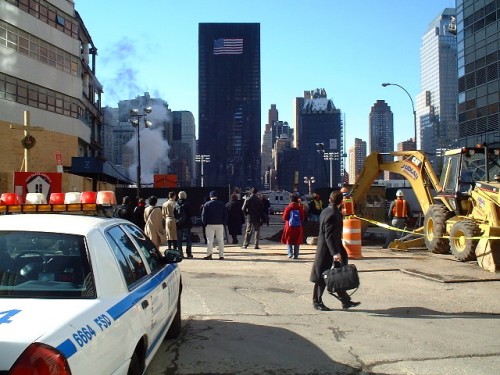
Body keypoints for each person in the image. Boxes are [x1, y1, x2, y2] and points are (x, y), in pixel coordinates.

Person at [310, 190, 361, 311]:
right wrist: (335, 253)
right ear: (341, 201)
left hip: (332, 248)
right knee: (322, 276)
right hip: (328, 250)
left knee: (339, 275)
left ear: (329, 199)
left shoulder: (326, 210)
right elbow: (329, 236)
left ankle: (345, 301)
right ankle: (317, 302)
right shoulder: (333, 214)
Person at [201, 190, 227, 260]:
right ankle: (221, 255)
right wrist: (223, 223)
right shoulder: (221, 204)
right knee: (220, 240)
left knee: (210, 240)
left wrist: (205, 223)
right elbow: (225, 215)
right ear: (216, 196)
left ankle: (209, 255)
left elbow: (203, 216)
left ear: (210, 197)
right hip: (220, 224)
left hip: (209, 224)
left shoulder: (207, 204)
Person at [281, 193, 306, 259]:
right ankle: (296, 255)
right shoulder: (300, 208)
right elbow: (302, 218)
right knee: (297, 240)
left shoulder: (288, 208)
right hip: (298, 226)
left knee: (289, 240)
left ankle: (290, 253)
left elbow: (285, 218)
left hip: (289, 226)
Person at [175, 191, 194, 258]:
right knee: (188, 239)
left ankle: (180, 254)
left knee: (179, 240)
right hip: (187, 224)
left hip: (179, 224)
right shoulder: (188, 204)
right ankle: (189, 254)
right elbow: (191, 214)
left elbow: (174, 214)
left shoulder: (176, 204)